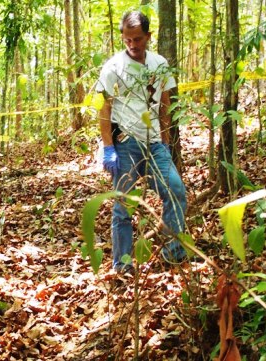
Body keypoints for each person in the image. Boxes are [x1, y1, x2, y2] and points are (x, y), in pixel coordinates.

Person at [95, 11, 187, 273]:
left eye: (137, 39)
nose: (133, 45)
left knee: (176, 191)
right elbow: (105, 109)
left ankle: (172, 254)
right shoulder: (113, 67)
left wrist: (166, 141)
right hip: (126, 143)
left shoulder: (160, 64)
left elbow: (165, 104)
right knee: (123, 206)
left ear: (148, 36)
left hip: (155, 143)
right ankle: (122, 265)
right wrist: (109, 148)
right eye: (127, 40)